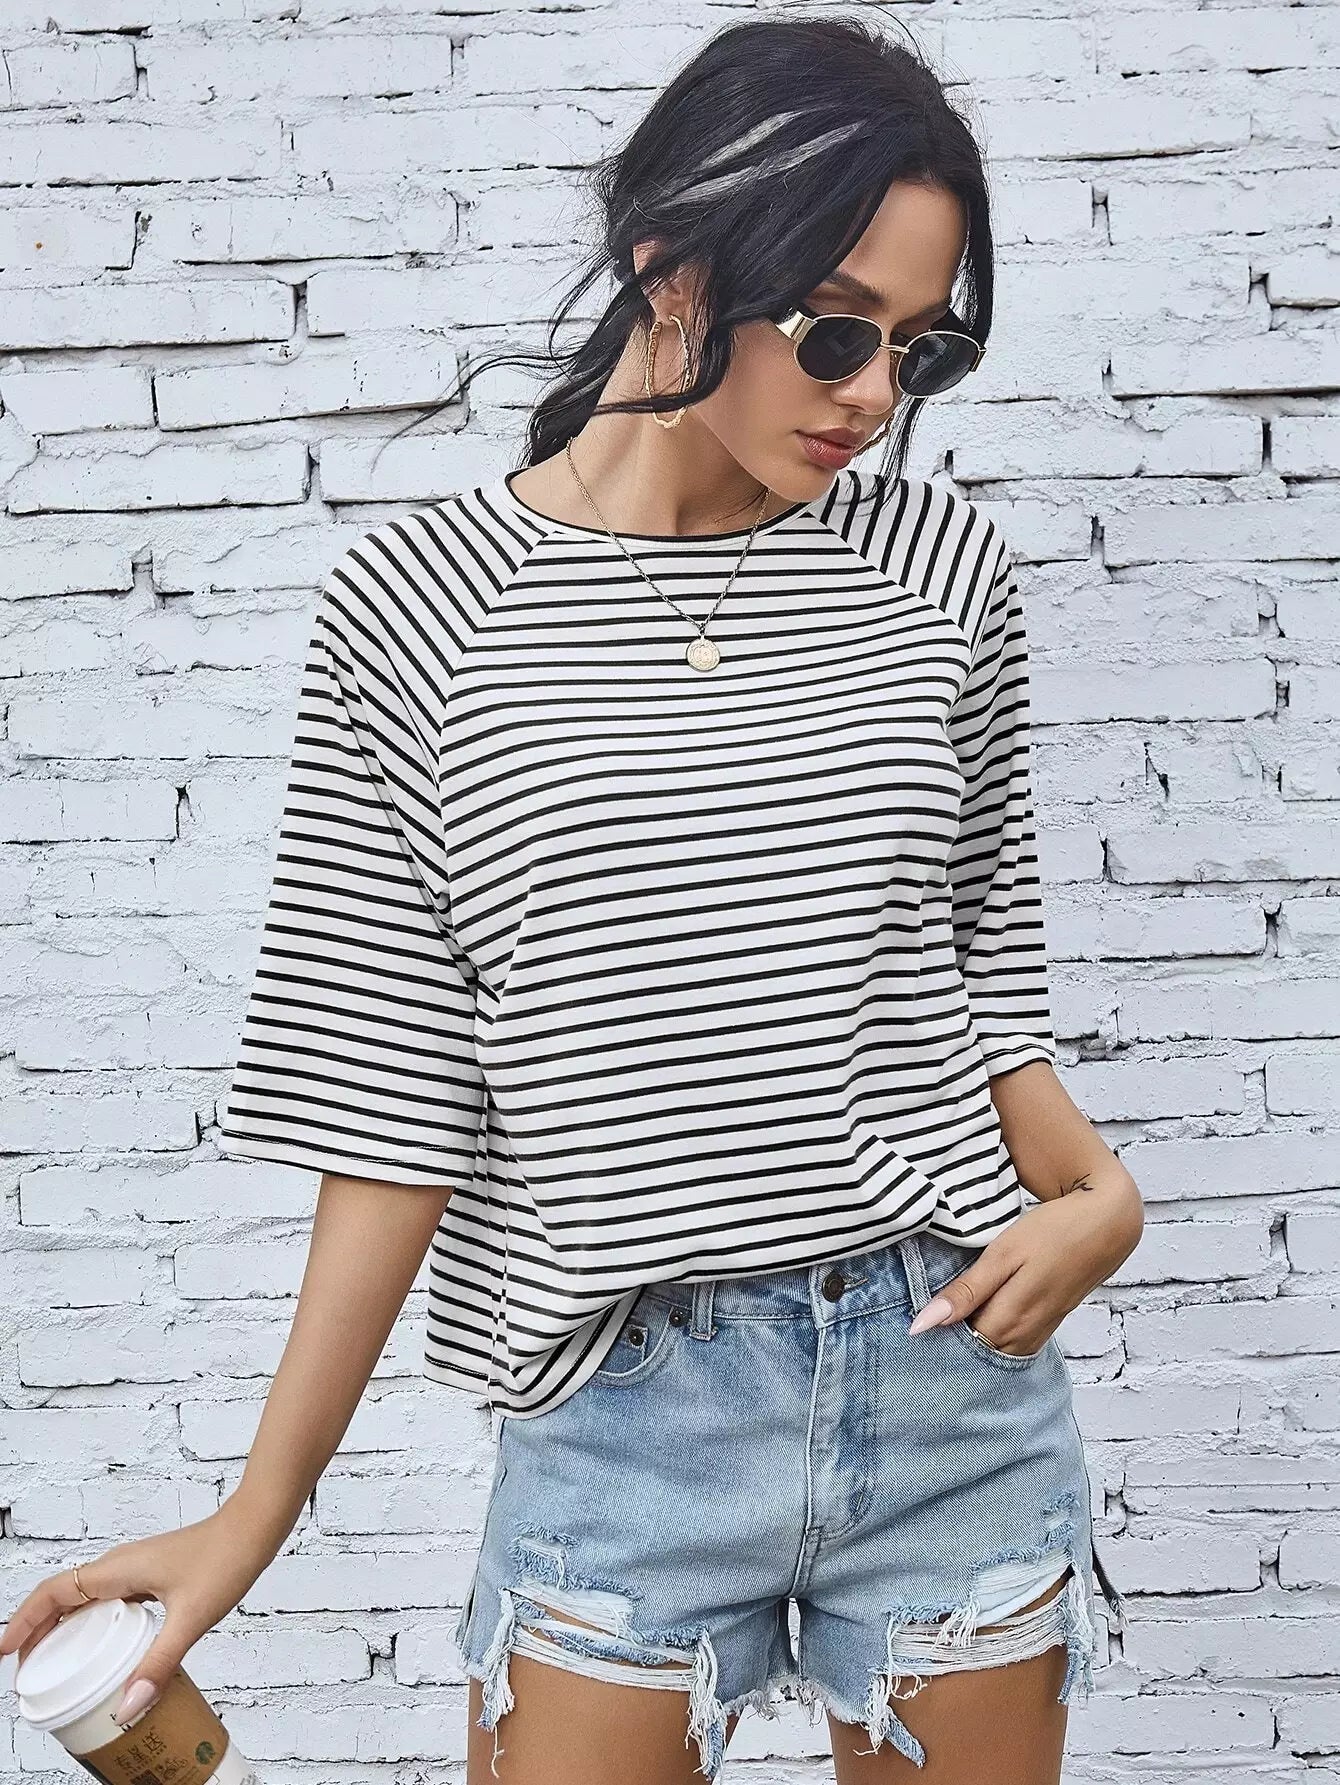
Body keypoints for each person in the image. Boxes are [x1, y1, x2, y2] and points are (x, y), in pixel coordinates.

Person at [0, 13, 1144, 1783]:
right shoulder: (421, 606)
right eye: (836, 327)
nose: (871, 395)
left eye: (921, 347)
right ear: (672, 270)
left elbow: (985, 969)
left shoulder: (937, 568)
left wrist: (1100, 1196)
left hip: (947, 1385)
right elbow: (390, 1092)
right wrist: (257, 1509)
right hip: (623, 1417)